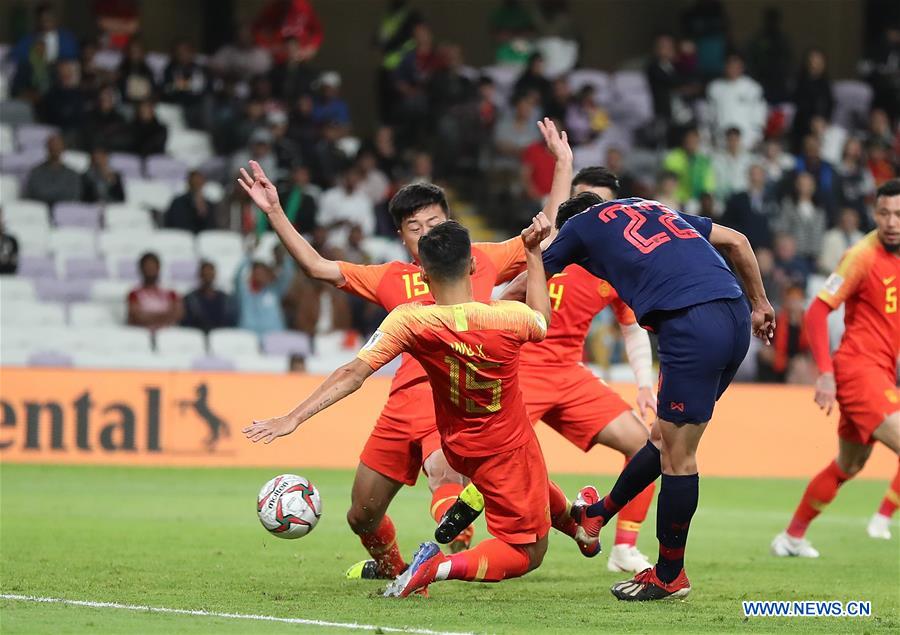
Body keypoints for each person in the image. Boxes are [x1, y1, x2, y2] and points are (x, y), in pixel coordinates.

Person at [236, 117, 573, 581]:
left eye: (434, 222)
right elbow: (317, 267)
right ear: (402, 235)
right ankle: (400, 571)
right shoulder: (394, 279)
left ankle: (449, 552)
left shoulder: (479, 258)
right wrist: (275, 212)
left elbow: (544, 230)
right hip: (405, 397)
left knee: (445, 478)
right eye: (414, 226)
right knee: (362, 514)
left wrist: (563, 166)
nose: (425, 232)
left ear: (451, 226)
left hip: (454, 402)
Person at [542, 190, 775, 601]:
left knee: (678, 456)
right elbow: (737, 240)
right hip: (733, 314)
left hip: (690, 324)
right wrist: (760, 304)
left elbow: (532, 275)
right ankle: (597, 515)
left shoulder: (580, 226)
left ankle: (670, 575)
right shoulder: (649, 207)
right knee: (661, 436)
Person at [434, 166, 661, 574]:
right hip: (524, 368)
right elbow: (502, 297)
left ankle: (624, 546)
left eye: (599, 203)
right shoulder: (550, 248)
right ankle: (458, 543)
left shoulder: (614, 263)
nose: (589, 210)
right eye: (581, 199)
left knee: (644, 444)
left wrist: (645, 384)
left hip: (570, 373)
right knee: (480, 459)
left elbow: (631, 326)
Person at [771, 180, 899, 555]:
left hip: (881, 372)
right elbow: (817, 309)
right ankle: (883, 518)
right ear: (874, 214)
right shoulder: (862, 256)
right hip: (859, 371)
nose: (891, 222)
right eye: (884, 213)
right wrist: (825, 372)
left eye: (898, 214)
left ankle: (791, 537)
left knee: (849, 464)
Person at [706, 53, 766, 148]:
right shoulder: (714, 87)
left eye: (736, 67)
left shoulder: (752, 87)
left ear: (742, 68)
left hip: (747, 140)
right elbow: (709, 115)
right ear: (725, 67)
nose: (733, 69)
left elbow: (759, 114)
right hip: (721, 139)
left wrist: (757, 137)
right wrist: (709, 136)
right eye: (730, 66)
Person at [234, 248, 295, 337]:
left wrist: (285, 258)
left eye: (263, 273)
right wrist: (249, 255)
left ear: (267, 275)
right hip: (249, 338)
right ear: (252, 275)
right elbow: (237, 279)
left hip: (275, 337)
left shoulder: (275, 292)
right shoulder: (244, 294)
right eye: (257, 273)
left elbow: (288, 276)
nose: (260, 276)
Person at [317, 165, 375, 250]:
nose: (352, 179)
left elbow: (369, 226)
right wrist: (337, 223)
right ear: (344, 177)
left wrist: (356, 228)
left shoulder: (364, 200)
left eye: (355, 176)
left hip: (356, 240)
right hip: (333, 237)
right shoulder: (329, 195)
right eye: (350, 176)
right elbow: (321, 222)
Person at [773, 172, 827, 265]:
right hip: (794, 256)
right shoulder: (788, 204)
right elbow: (782, 228)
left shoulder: (819, 209)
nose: (805, 187)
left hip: (815, 256)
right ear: (797, 185)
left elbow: (821, 232)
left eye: (808, 184)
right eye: (802, 184)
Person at [721, 164, 776, 250]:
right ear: (748, 177)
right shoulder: (737, 199)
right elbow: (727, 223)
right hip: (743, 246)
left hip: (767, 248)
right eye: (753, 174)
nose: (756, 178)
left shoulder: (773, 199)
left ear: (764, 177)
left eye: (759, 175)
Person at [127, 252, 183, 330]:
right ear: (141, 269)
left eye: (153, 266)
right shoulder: (134, 294)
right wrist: (166, 315)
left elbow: (178, 314)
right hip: (142, 334)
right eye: (147, 266)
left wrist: (148, 316)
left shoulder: (170, 292)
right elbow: (137, 316)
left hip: (167, 334)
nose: (150, 269)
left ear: (158, 268)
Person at [24, 134, 82, 206]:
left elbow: (74, 196)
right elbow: (32, 195)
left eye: (58, 145)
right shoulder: (35, 172)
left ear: (63, 148)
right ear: (47, 148)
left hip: (64, 212)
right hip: (40, 212)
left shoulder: (72, 174)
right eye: (52, 145)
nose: (55, 148)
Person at [662, 128, 714, 207]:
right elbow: (669, 180)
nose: (691, 142)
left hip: (698, 200)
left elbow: (709, 184)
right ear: (684, 140)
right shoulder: (673, 156)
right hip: (677, 198)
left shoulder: (703, 160)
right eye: (689, 139)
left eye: (694, 140)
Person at [182, 261, 237, 333]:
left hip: (221, 338)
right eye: (205, 274)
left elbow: (230, 322)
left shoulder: (225, 299)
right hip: (197, 338)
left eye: (210, 273)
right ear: (200, 275)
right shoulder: (190, 299)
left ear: (215, 275)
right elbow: (186, 324)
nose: (207, 276)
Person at [818, 208, 864, 274]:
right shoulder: (830, 237)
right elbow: (826, 263)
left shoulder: (862, 238)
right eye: (847, 220)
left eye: (852, 220)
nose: (849, 223)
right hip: (832, 276)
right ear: (841, 221)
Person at [711, 127, 752, 200]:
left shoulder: (748, 159)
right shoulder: (718, 159)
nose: (733, 143)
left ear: (739, 140)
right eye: (730, 140)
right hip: (723, 198)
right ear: (726, 140)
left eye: (735, 140)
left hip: (743, 197)